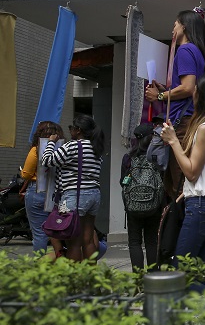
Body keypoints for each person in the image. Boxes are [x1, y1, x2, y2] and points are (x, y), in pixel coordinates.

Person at [161, 73, 205, 266]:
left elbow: (191, 171)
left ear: (203, 96)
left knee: (180, 269)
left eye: (196, 89)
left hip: (200, 206)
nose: (193, 92)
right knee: (195, 271)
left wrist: (174, 141)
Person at [145, 9, 205, 203]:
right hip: (190, 119)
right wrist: (166, 90)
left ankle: (182, 226)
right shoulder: (197, 51)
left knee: (179, 181)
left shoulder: (185, 50)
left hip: (182, 124)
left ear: (184, 26)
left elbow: (188, 87)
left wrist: (161, 95)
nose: (172, 28)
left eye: (175, 23)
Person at [40, 114, 105, 261]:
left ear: (78, 130)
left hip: (75, 195)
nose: (70, 131)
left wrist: (51, 143)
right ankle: (92, 279)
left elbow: (47, 160)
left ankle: (74, 279)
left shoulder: (73, 145)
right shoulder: (96, 148)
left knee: (73, 242)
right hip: (94, 195)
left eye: (71, 128)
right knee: (88, 239)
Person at [120, 123, 163, 270]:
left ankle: (138, 281)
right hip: (154, 206)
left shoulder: (128, 158)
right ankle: (154, 279)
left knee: (134, 242)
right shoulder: (156, 157)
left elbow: (122, 182)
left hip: (133, 207)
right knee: (152, 241)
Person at [20, 121, 64, 254]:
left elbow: (26, 174)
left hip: (36, 191)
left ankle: (40, 267)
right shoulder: (62, 148)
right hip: (56, 193)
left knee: (40, 234)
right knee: (55, 231)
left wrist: (23, 173)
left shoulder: (36, 149)